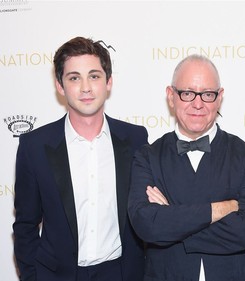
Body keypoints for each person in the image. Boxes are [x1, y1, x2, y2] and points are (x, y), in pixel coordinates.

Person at [13, 37, 148, 281]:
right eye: (74, 77)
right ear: (60, 86)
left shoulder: (136, 139)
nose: (85, 87)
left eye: (94, 76)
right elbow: (25, 227)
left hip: (121, 273)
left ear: (109, 82)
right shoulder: (34, 147)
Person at [128, 54, 245, 281]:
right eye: (187, 93)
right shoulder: (147, 157)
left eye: (207, 94)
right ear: (171, 96)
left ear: (219, 97)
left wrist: (171, 220)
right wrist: (223, 209)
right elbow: (147, 226)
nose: (197, 103)